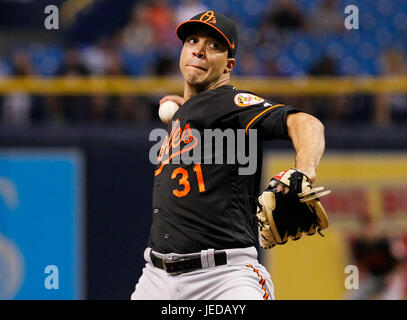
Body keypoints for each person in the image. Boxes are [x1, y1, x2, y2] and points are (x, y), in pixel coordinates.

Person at [131, 11, 326, 300]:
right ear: (182, 51)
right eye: (192, 40)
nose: (199, 49)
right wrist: (183, 108)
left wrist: (304, 171)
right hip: (156, 278)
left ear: (228, 66)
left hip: (222, 279)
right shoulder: (193, 112)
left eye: (214, 46)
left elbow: (305, 122)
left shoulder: (227, 101)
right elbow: (203, 116)